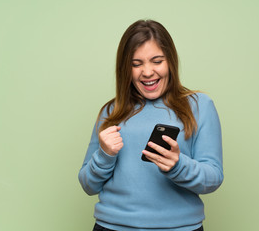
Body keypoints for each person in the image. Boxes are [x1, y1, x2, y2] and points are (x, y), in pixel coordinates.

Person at [78, 19, 223, 231]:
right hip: (112, 226)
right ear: (125, 68)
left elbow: (214, 177)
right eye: (136, 64)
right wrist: (104, 155)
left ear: (170, 61)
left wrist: (177, 165)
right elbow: (88, 185)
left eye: (157, 61)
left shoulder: (200, 106)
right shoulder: (111, 111)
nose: (147, 72)